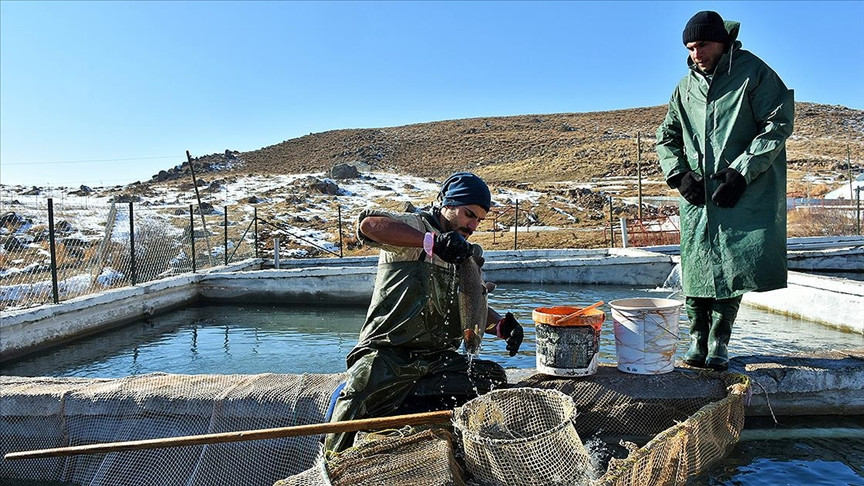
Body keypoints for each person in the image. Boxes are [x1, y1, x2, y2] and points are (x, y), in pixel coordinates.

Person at [323, 171, 524, 454]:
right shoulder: (414, 227)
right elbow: (368, 225)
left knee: (492, 378)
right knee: (358, 394)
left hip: (438, 360)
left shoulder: (466, 253)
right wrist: (431, 242)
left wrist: (502, 327)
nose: (473, 225)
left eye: (479, 219)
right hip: (389, 353)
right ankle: (334, 457)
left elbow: (472, 307)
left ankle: (446, 444)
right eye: (469, 214)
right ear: (447, 203)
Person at [656, 11, 794, 371]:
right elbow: (666, 137)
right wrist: (679, 176)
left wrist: (741, 172)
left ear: (721, 41)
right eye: (690, 47)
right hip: (699, 196)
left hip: (739, 191)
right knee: (697, 265)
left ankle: (719, 340)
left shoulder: (753, 73)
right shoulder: (684, 88)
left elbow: (778, 123)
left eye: (702, 44)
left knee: (732, 266)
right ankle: (696, 338)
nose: (695, 53)